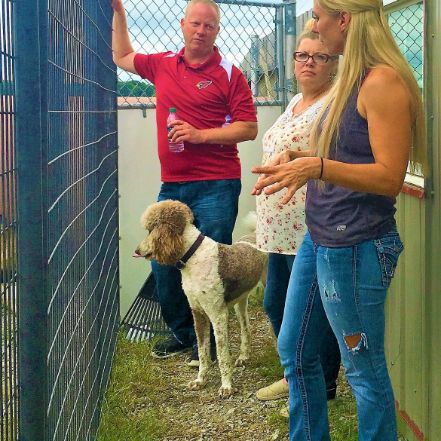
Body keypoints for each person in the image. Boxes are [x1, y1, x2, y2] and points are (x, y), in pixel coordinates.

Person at [252, 0, 426, 439]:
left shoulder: (382, 81)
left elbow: (389, 177)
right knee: (294, 349)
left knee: (363, 373)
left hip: (357, 248)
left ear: (343, 20)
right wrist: (302, 157)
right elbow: (348, 150)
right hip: (322, 239)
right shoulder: (354, 78)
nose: (313, 24)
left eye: (317, 16)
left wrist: (317, 168)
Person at [112, 0, 258, 363]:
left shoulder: (230, 73)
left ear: (217, 31)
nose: (200, 31)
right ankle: (185, 335)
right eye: (195, 23)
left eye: (208, 26)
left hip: (217, 184)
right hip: (173, 185)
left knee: (213, 271)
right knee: (162, 262)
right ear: (182, 24)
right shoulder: (163, 65)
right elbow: (122, 56)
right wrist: (118, 12)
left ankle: (209, 348)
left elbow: (249, 128)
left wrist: (198, 135)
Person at [254, 22, 341, 403]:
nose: (308, 63)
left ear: (334, 63)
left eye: (319, 57)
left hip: (307, 227)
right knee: (276, 303)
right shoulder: (294, 102)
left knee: (308, 312)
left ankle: (318, 383)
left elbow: (334, 161)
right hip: (278, 230)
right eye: (301, 55)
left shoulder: (333, 105)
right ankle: (299, 375)